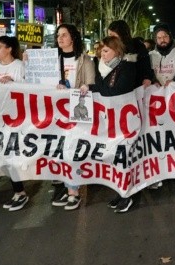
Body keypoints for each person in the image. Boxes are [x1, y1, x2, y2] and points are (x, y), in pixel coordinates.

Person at [81, 35, 138, 213]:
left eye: (106, 51)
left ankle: (127, 195)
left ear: (117, 51)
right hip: (111, 123)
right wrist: (89, 88)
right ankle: (121, 192)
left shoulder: (127, 68)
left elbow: (114, 91)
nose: (102, 54)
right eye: (101, 51)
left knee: (125, 159)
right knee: (115, 160)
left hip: (126, 124)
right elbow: (102, 89)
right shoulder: (103, 69)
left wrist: (96, 86)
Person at [50, 23, 96, 210]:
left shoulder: (84, 60)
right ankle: (65, 186)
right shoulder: (52, 60)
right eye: (58, 35)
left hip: (75, 114)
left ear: (73, 38)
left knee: (72, 151)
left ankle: (73, 191)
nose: (60, 39)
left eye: (64, 35)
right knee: (58, 151)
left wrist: (86, 87)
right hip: (54, 114)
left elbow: (91, 83)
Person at [0, 35, 30, 212]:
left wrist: (14, 84)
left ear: (9, 49)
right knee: (3, 156)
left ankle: (20, 192)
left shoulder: (20, 66)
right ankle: (17, 191)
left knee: (14, 156)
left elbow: (32, 88)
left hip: (18, 119)